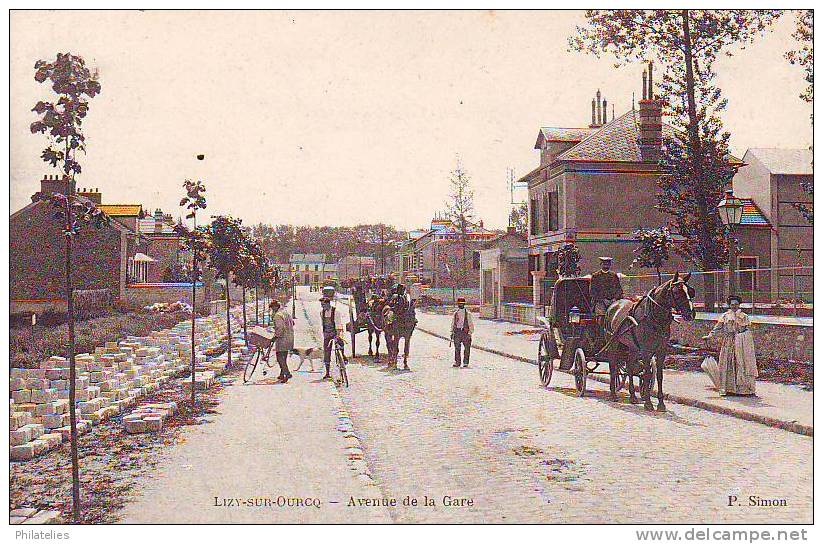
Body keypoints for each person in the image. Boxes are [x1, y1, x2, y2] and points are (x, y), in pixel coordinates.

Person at [701, 295, 758, 396]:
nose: (734, 306)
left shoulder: (744, 316)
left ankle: (742, 389)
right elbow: (717, 328)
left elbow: (748, 330)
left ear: (739, 305)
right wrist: (709, 336)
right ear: (729, 305)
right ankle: (728, 388)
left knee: (740, 363)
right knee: (727, 363)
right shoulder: (725, 316)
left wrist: (741, 337)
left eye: (736, 304)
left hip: (740, 344)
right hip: (728, 342)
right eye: (732, 305)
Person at [590, 256, 624, 329]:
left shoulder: (613, 275)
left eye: (608, 264)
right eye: (604, 264)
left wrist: (615, 298)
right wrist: (602, 300)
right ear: (601, 264)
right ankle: (600, 334)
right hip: (600, 301)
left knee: (618, 316)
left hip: (613, 301)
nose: (606, 265)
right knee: (601, 318)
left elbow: (619, 289)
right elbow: (592, 291)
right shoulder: (595, 276)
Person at [270, 300, 294, 383]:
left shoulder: (277, 315)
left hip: (282, 338)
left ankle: (287, 373)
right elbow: (293, 323)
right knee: (284, 356)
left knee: (279, 357)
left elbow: (280, 328)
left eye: (273, 308)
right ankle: (282, 373)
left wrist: (275, 336)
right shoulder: (286, 313)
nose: (272, 310)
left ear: (276, 307)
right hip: (290, 337)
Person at [451, 297, 474, 368]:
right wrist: (452, 332)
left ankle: (465, 362)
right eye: (459, 304)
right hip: (457, 332)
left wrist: (470, 333)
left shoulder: (468, 314)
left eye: (461, 304)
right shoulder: (455, 313)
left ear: (464, 304)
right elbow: (453, 323)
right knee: (457, 348)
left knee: (467, 348)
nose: (460, 305)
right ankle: (457, 362)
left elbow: (471, 324)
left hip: (465, 332)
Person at [320, 296, 338, 380]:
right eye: (321, 305)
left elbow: (338, 324)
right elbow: (323, 324)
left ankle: (343, 358)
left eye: (323, 305)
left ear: (328, 304)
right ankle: (327, 372)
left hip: (335, 332)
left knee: (340, 345)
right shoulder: (322, 312)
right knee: (326, 352)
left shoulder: (335, 312)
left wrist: (337, 335)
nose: (322, 307)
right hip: (327, 333)